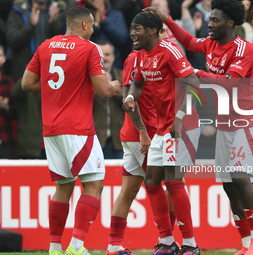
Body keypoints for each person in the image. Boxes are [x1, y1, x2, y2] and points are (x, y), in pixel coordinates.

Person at [145, 0, 253, 254]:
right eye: (210, 19)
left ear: (230, 23)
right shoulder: (211, 43)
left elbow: (229, 84)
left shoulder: (244, 49)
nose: (209, 24)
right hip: (224, 123)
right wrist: (166, 19)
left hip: (246, 121)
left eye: (214, 20)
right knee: (227, 184)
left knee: (239, 176)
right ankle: (246, 243)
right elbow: (190, 42)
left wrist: (196, 74)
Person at [21, 6, 121, 255]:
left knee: (63, 187)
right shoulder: (89, 48)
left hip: (51, 129)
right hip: (78, 128)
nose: (94, 30)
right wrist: (117, 86)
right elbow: (103, 90)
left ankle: (55, 247)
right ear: (86, 25)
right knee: (95, 184)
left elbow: (26, 83)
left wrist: (60, 91)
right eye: (93, 25)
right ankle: (77, 246)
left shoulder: (46, 45)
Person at [124, 11, 201, 255]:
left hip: (182, 125)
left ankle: (190, 244)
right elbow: (137, 84)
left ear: (153, 31)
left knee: (173, 180)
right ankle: (167, 241)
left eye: (137, 29)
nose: (132, 33)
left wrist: (179, 118)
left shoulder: (170, 50)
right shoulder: (142, 57)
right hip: (162, 127)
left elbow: (193, 83)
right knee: (152, 181)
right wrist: (129, 97)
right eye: (132, 28)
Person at [107, 25, 179, 255]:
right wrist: (143, 132)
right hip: (145, 136)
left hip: (141, 135)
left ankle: (114, 245)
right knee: (173, 186)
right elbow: (129, 98)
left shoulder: (163, 57)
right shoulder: (135, 59)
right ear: (154, 33)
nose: (167, 35)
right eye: (164, 31)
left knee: (128, 190)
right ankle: (166, 241)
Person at [6, 0, 67, 81]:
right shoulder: (18, 11)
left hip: (54, 70)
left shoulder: (60, 10)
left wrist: (54, 23)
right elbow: (12, 40)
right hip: (23, 69)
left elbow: (67, 43)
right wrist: (31, 26)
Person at [93, 40, 124, 159]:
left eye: (107, 55)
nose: (104, 58)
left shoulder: (122, 76)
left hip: (119, 141)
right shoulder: (86, 79)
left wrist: (112, 88)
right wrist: (99, 87)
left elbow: (131, 102)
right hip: (96, 141)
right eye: (100, 55)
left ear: (113, 57)